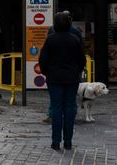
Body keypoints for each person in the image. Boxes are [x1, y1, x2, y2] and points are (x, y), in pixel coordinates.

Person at [39, 12, 85, 150]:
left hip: (54, 78)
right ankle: (68, 141)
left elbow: (43, 60)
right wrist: (76, 71)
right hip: (71, 77)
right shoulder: (75, 39)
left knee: (56, 107)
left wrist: (47, 72)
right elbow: (81, 60)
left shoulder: (50, 39)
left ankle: (55, 141)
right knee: (70, 107)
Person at [42, 10, 83, 124]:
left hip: (54, 73)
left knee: (55, 101)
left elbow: (44, 56)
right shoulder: (76, 33)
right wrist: (77, 70)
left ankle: (52, 117)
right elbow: (81, 54)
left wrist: (47, 72)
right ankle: (70, 117)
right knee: (71, 100)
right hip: (72, 72)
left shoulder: (51, 32)